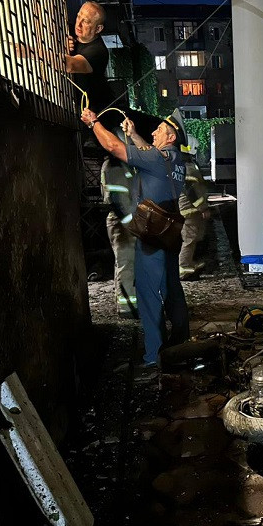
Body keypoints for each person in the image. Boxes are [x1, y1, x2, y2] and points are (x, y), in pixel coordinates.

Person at [81, 107, 190, 367]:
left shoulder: (157, 159)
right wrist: (134, 134)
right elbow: (149, 152)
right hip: (170, 231)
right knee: (172, 288)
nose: (154, 133)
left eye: (159, 130)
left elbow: (114, 146)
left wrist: (93, 123)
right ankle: (181, 341)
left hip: (152, 234)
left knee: (148, 294)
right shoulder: (175, 160)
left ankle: (154, 356)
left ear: (171, 137)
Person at [100, 146, 137, 318]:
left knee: (126, 264)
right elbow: (118, 199)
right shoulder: (113, 167)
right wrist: (130, 223)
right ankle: (127, 308)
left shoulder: (119, 165)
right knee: (125, 264)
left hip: (123, 221)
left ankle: (128, 303)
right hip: (122, 222)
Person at [66, 1, 114, 114]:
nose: (78, 24)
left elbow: (70, 65)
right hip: (64, 94)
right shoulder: (69, 29)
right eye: (78, 17)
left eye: (86, 22)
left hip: (83, 110)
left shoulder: (99, 51)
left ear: (98, 29)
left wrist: (29, 52)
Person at [178, 145, 211, 280]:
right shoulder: (188, 169)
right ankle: (184, 268)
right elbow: (192, 192)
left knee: (191, 238)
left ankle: (188, 264)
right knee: (189, 240)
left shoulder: (180, 168)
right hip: (190, 211)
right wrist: (203, 207)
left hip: (187, 210)